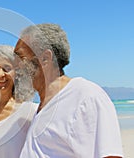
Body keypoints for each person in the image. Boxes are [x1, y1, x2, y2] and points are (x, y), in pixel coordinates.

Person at [14, 23, 123, 158]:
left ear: (45, 58)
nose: (14, 66)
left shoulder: (86, 97)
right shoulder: (43, 106)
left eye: (20, 57)